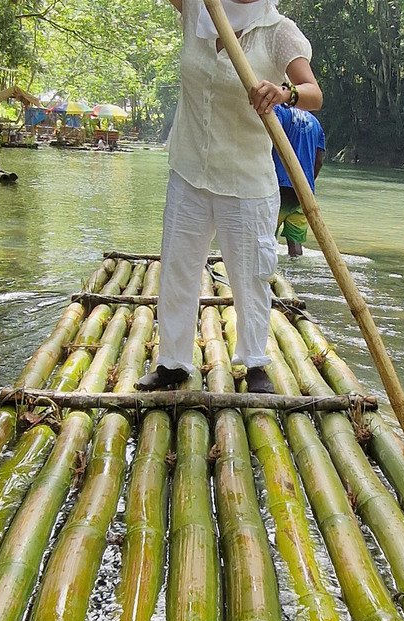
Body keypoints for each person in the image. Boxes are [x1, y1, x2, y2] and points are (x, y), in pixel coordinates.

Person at [136, 0, 322, 394]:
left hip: (246, 181)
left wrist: (283, 93)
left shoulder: (276, 31)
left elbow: (313, 94)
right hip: (190, 170)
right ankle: (172, 363)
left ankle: (254, 364)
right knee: (178, 269)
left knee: (251, 277)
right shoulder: (197, 7)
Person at [272, 105, 324, 257]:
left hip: (278, 186)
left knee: (266, 237)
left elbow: (268, 140)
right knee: (295, 244)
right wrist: (306, 184)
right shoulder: (316, 124)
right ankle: (295, 268)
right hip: (303, 192)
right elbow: (319, 161)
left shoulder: (279, 111)